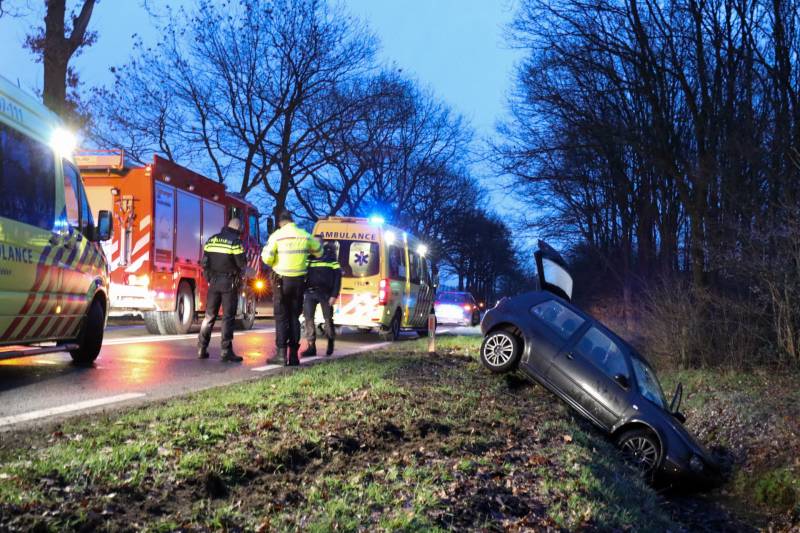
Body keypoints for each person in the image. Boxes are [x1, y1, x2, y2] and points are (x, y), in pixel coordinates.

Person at [261, 211, 322, 365]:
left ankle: (281, 355)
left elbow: (267, 258)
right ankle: (294, 356)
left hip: (281, 282)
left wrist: (276, 260)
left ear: (281, 222)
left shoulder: (277, 235)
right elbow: (319, 251)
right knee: (294, 317)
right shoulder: (304, 235)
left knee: (281, 317)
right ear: (292, 220)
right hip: (299, 282)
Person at [197, 218, 246, 362]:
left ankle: (201, 347)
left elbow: (205, 263)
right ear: (238, 228)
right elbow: (242, 263)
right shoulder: (235, 242)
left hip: (214, 283)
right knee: (228, 317)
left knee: (209, 316)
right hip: (229, 283)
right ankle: (226, 351)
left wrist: (210, 278)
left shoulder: (212, 240)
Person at [301, 237, 342, 357]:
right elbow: (303, 275)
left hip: (326, 294)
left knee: (328, 319)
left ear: (322, 244)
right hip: (310, 292)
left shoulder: (331, 259)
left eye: (316, 242)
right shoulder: (309, 259)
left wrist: (334, 295)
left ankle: (330, 341)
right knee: (308, 319)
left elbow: (337, 279)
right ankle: (311, 347)